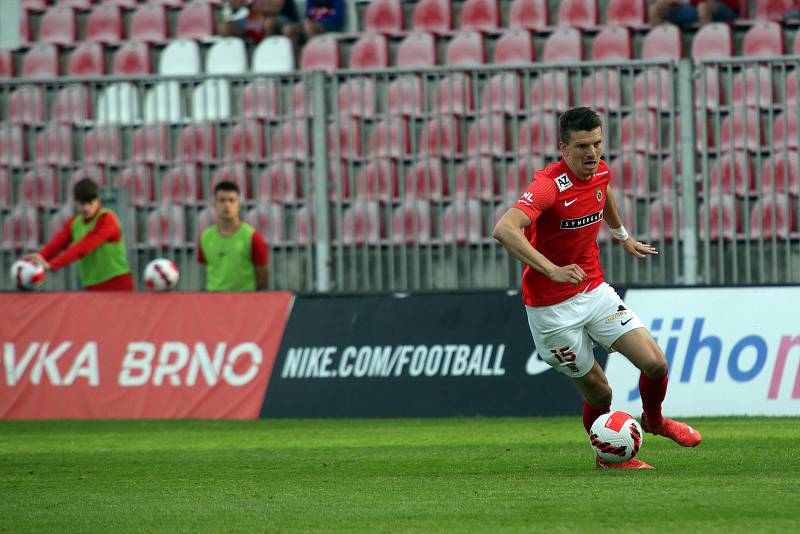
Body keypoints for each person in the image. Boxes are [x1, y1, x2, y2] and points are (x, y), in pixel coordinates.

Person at [492, 107, 702, 470]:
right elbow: (504, 229)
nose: (592, 153)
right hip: (551, 309)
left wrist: (622, 236)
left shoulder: (600, 169)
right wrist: (552, 270)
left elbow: (604, 193)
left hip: (594, 290)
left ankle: (653, 420)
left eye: (597, 143)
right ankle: (609, 458)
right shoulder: (547, 186)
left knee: (654, 364)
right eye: (583, 146)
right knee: (601, 391)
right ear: (563, 147)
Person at [23, 178, 134, 291]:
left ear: (98, 200)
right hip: (91, 287)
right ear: (76, 202)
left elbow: (84, 247)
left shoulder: (107, 218)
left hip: (117, 284)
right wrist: (38, 258)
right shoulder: (75, 222)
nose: (86, 208)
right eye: (82, 203)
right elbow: (56, 244)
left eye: (90, 202)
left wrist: (53, 265)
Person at [198, 181, 268, 291]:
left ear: (238, 205)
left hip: (244, 300)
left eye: (231, 200)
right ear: (215, 205)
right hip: (214, 300)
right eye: (222, 200)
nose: (227, 205)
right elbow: (206, 269)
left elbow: (263, 277)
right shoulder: (205, 237)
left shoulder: (252, 237)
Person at [218, 0, 301, 46]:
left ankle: (270, 60)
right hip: (254, 18)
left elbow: (276, 8)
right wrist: (233, 4)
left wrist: (248, 5)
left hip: (280, 17)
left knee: (269, 23)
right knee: (224, 27)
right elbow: (236, 10)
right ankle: (237, 66)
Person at [649, 0, 740, 26]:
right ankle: (660, 58)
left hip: (725, 7)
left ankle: (705, 57)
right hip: (694, 6)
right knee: (656, 9)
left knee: (704, 7)